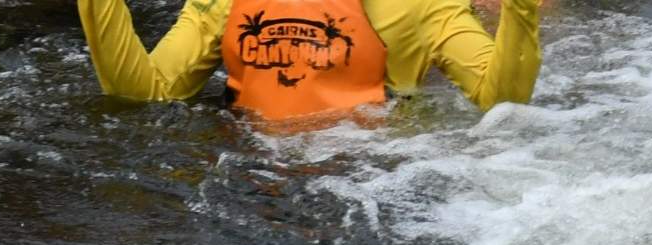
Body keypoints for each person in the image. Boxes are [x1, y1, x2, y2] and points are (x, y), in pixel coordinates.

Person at [74, 0, 543, 130]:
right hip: (246, 177)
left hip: (377, 176)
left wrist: (521, 8)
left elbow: (500, 100)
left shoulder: (425, 5)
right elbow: (147, 94)